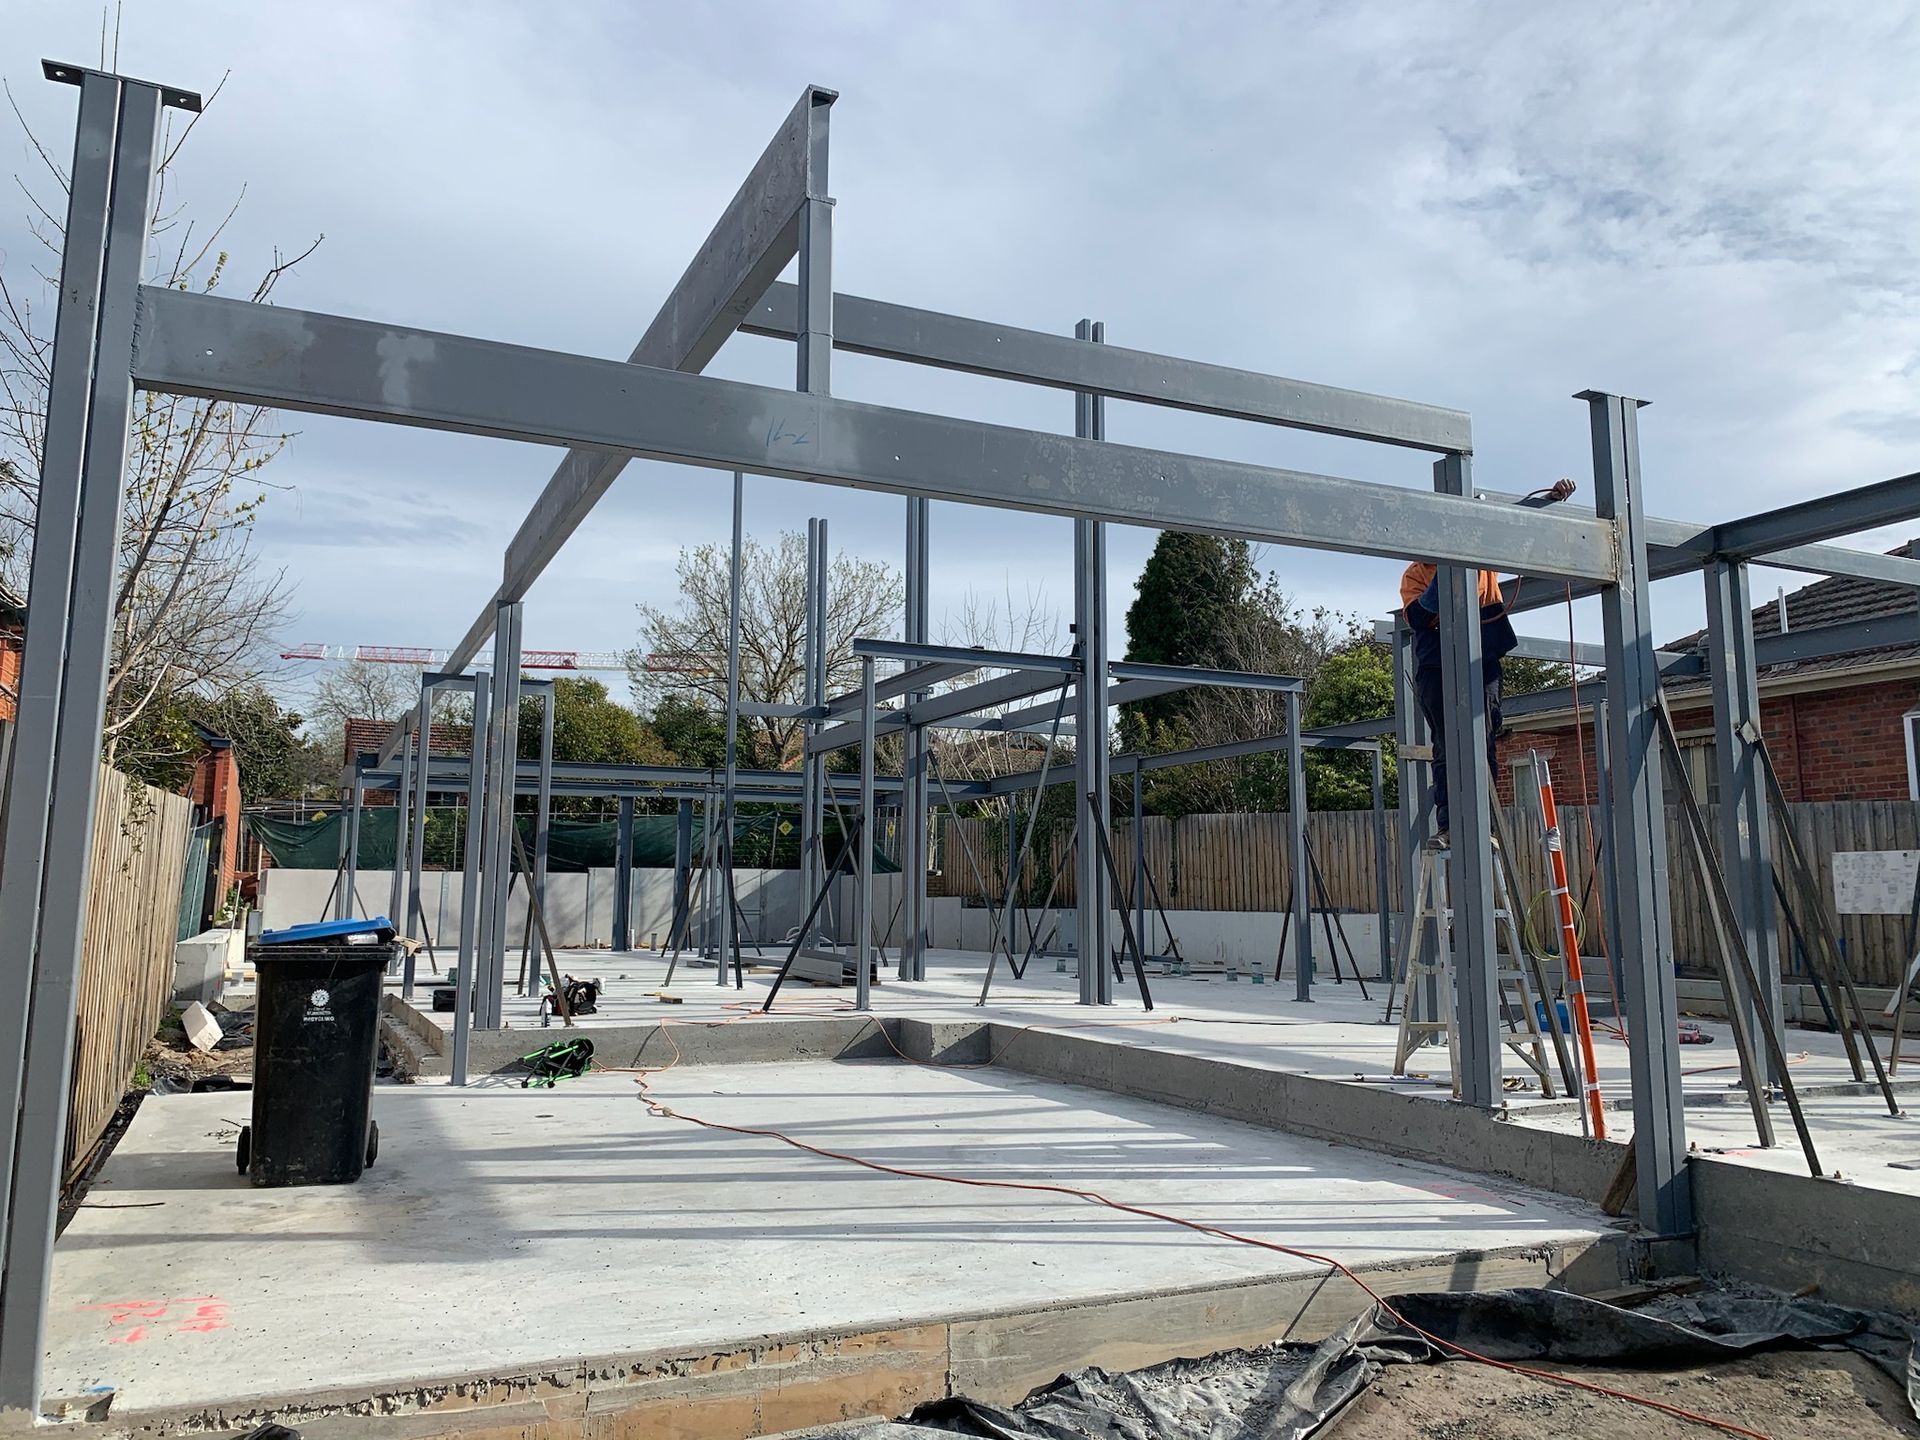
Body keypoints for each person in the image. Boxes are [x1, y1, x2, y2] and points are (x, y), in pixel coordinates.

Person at [1400, 562, 1517, 839]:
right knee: (1445, 744)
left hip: (1482, 658)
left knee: (1483, 740)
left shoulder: (1478, 561)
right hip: (1436, 665)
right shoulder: (1415, 574)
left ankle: (1482, 820)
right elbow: (1418, 615)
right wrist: (1447, 567)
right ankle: (1449, 823)